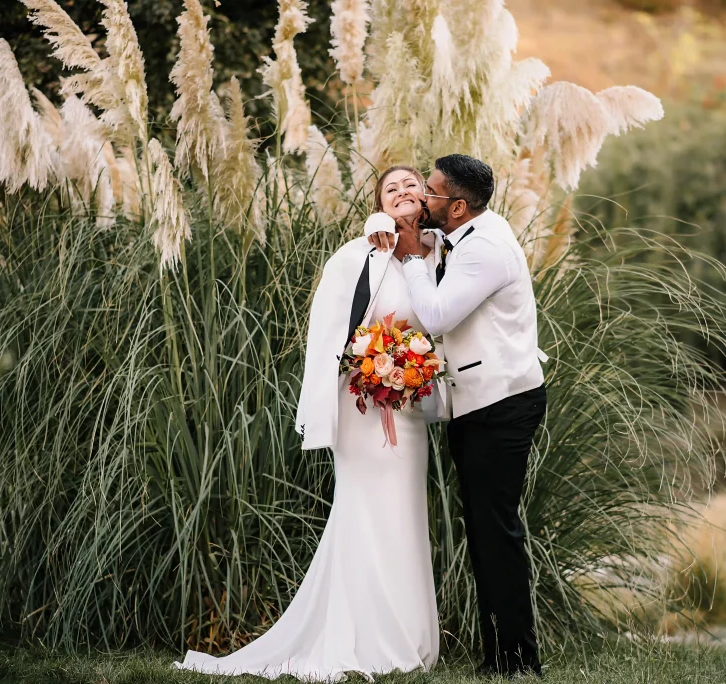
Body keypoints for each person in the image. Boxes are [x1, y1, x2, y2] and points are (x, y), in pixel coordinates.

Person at [173, 166, 441, 682]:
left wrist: (411, 370)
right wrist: (367, 365)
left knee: (406, 515)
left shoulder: (437, 255)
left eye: (412, 183)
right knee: (362, 513)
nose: (405, 191)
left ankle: (409, 636)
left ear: (426, 197)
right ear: (379, 203)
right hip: (362, 410)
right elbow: (328, 332)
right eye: (392, 188)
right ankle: (359, 638)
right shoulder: (361, 253)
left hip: (409, 412)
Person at [370, 154, 548, 677]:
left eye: (431, 191)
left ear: (457, 206)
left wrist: (408, 260)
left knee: (497, 530)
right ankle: (497, 655)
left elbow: (439, 314)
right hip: (476, 405)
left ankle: (518, 659)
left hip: (502, 405)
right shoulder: (463, 235)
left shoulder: (487, 249)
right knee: (486, 530)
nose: (423, 197)